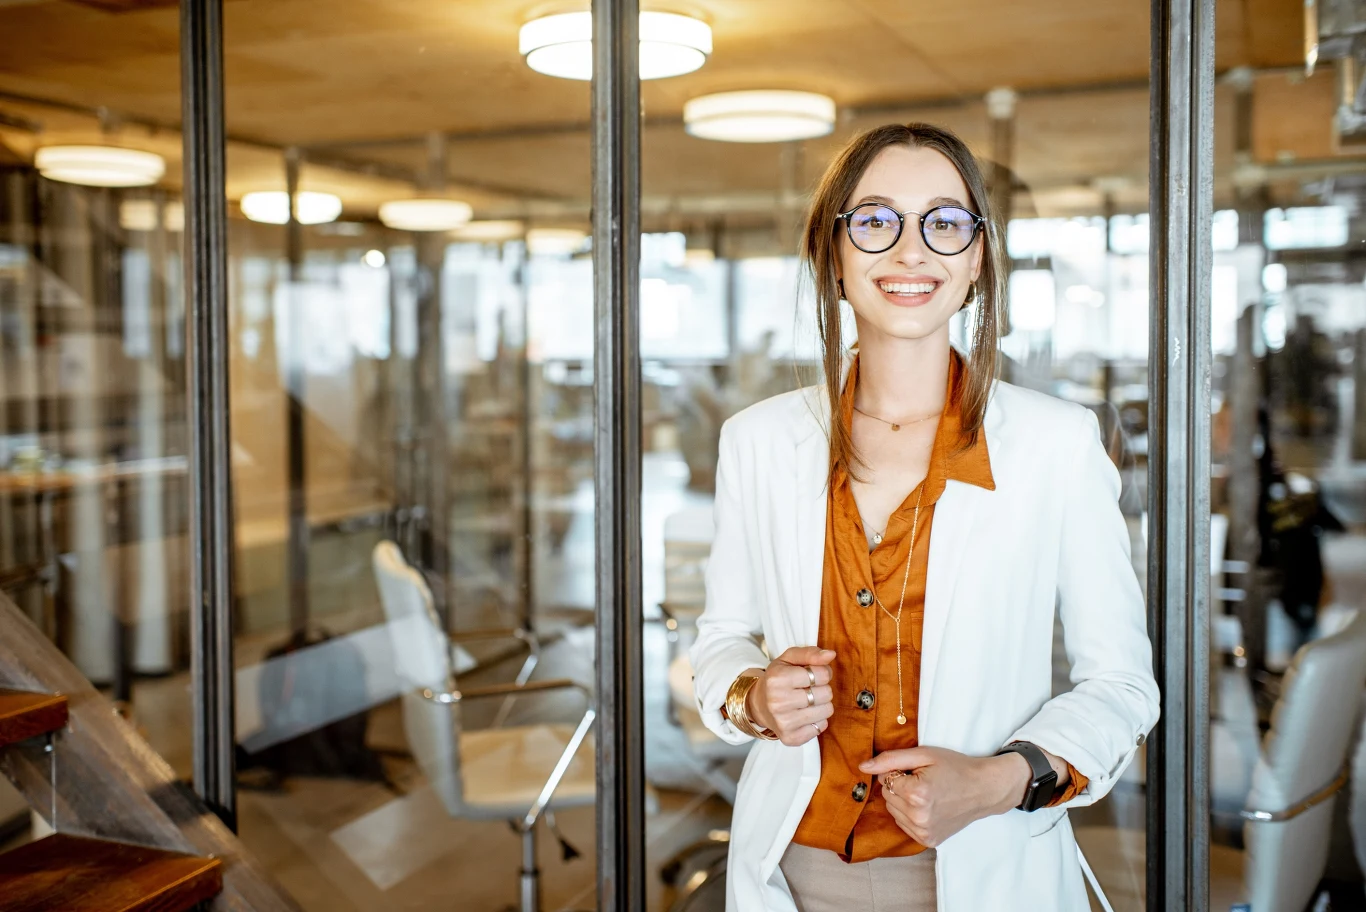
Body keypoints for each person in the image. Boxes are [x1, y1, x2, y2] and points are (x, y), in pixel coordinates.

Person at [689, 123, 1160, 912]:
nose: (911, 252)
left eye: (944, 223)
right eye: (875, 221)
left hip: (983, 868)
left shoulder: (1056, 444)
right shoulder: (759, 441)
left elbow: (1119, 683)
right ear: (833, 255)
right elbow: (720, 640)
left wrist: (995, 780)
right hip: (794, 867)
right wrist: (752, 696)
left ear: (976, 259)